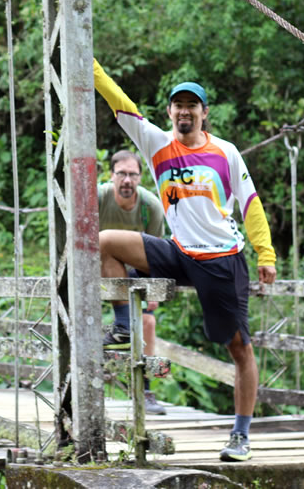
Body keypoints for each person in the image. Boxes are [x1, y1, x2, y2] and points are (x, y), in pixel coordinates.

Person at [93, 59, 278, 463]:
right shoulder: (157, 145)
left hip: (221, 259)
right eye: (178, 105)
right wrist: (89, 67)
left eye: (192, 105)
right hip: (178, 252)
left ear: (204, 113)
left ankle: (241, 435)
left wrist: (265, 254)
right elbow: (121, 105)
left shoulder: (225, 153)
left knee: (239, 348)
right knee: (104, 242)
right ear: (170, 111)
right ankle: (124, 324)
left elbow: (250, 204)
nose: (184, 111)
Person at [97, 149, 167, 415]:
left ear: (140, 177)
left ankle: (145, 390)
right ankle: (122, 324)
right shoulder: (98, 198)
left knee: (147, 322)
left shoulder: (150, 206)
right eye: (122, 174)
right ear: (111, 175)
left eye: (133, 175)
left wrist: (155, 291)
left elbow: (158, 251)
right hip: (100, 267)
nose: (127, 180)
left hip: (139, 268)